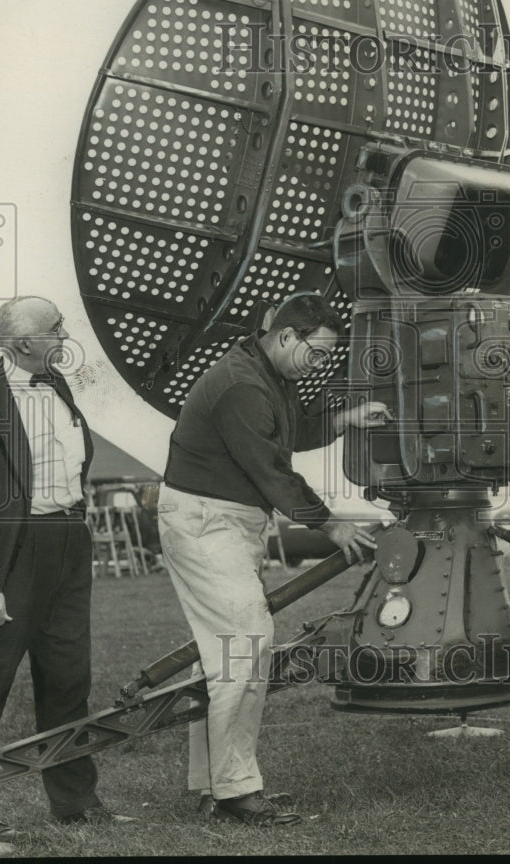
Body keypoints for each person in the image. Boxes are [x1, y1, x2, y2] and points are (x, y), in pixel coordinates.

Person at [158, 293, 391, 826]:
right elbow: (272, 470)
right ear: (287, 336)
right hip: (207, 522)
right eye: (318, 353)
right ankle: (236, 790)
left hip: (225, 521)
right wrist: (330, 524)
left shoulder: (266, 373)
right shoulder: (242, 384)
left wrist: (347, 419)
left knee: (222, 654)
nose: (321, 364)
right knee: (244, 642)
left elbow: (289, 432)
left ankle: (216, 784)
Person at [0, 296, 130, 842]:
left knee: (68, 676)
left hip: (68, 539)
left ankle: (75, 800)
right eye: (56, 328)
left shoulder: (56, 383)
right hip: (14, 551)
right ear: (23, 342)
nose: (65, 335)